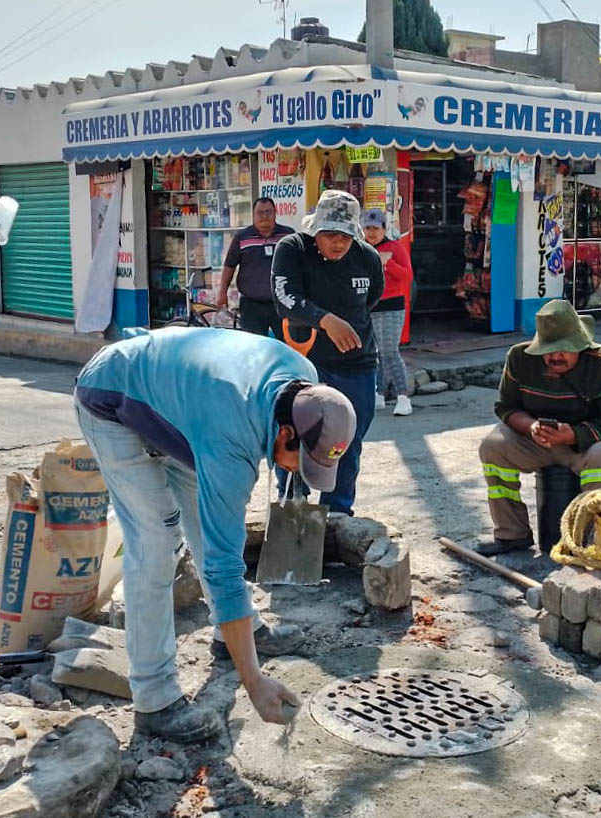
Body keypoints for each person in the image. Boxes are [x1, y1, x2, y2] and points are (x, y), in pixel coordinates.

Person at [74, 327, 356, 743]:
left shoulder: (304, 381)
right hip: (113, 398)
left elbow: (221, 539)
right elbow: (224, 565)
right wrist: (255, 683)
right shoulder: (230, 442)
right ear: (285, 433)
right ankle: (155, 700)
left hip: (183, 409)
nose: (297, 471)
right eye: (301, 460)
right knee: (156, 546)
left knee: (211, 530)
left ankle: (235, 634)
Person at [476, 299, 601, 556]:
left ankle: (597, 542)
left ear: (580, 345)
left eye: (564, 350)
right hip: (537, 441)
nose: (556, 356)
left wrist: (572, 435)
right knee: (493, 446)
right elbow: (506, 407)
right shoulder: (519, 357)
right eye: (550, 350)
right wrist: (532, 427)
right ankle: (511, 534)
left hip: (587, 445)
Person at [271, 190, 384, 515]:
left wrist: (343, 323)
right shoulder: (292, 249)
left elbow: (371, 299)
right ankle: (292, 505)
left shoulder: (367, 258)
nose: (338, 243)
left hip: (357, 366)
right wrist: (325, 320)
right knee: (296, 436)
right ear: (315, 230)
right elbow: (284, 298)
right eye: (330, 235)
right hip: (305, 364)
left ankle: (338, 511)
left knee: (344, 442)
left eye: (346, 237)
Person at [361, 209, 415, 417]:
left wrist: (388, 263)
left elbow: (407, 276)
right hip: (369, 307)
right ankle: (379, 394)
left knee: (390, 352)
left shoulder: (395, 247)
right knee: (374, 353)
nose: (371, 233)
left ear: (384, 229)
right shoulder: (362, 249)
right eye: (367, 228)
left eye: (375, 228)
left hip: (392, 306)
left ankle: (403, 397)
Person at [216, 197, 294, 337]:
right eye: (260, 213)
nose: (264, 216)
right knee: (254, 348)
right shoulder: (242, 237)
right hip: (252, 306)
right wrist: (222, 292)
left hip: (283, 303)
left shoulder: (288, 235)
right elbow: (229, 266)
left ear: (275, 213)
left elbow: (300, 264)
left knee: (288, 345)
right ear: (253, 215)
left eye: (268, 212)